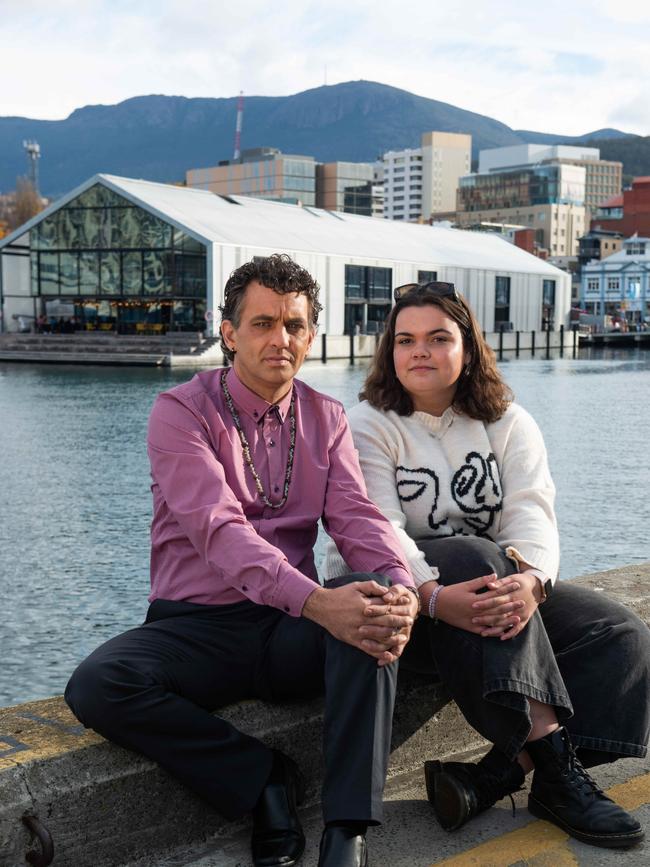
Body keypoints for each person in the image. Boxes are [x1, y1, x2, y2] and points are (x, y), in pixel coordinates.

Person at [65, 254, 419, 867]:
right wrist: (315, 600)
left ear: (311, 337)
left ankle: (347, 831)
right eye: (262, 324)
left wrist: (399, 585)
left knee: (371, 602)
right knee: (98, 684)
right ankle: (263, 782)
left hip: (288, 631)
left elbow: (358, 517)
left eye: (294, 325)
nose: (279, 339)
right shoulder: (179, 412)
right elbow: (217, 529)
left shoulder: (326, 418)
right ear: (229, 333)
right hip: (196, 626)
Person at [326, 280, 649, 850]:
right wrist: (432, 595)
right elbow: (378, 531)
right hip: (403, 609)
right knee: (475, 556)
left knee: (621, 634)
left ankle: (502, 773)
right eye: (405, 340)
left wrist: (532, 582)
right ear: (389, 352)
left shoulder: (508, 422)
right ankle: (555, 767)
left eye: (437, 338)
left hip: (489, 601)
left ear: (469, 348)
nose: (419, 351)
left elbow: (532, 513)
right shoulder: (368, 425)